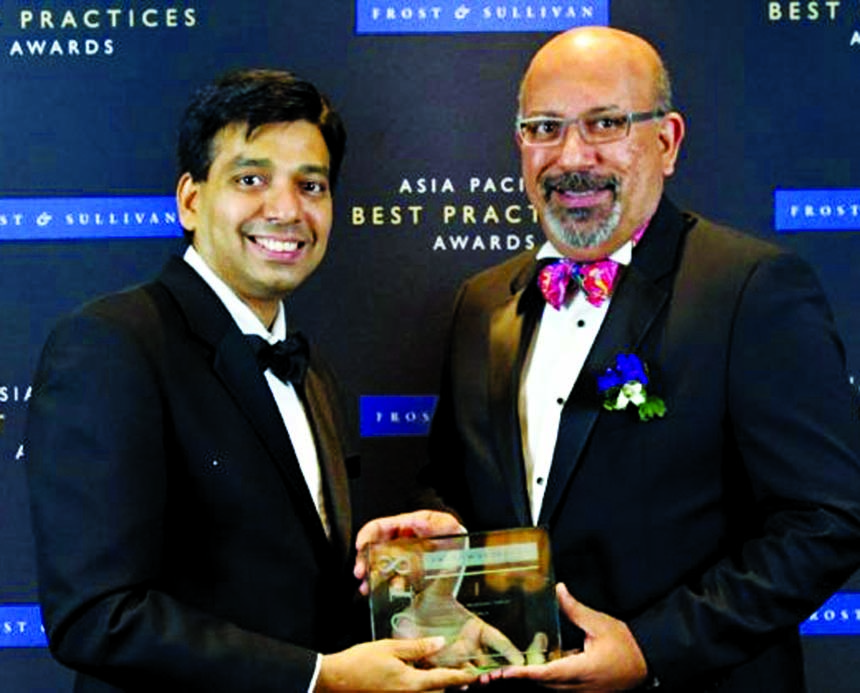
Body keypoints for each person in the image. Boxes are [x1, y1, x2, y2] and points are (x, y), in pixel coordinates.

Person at [356, 27, 860, 692]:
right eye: (545, 127)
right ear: (520, 144)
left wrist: (652, 648)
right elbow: (454, 479)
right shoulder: (480, 302)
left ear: (668, 140)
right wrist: (446, 535)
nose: (572, 156)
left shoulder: (751, 289)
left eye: (606, 123)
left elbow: (828, 518)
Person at [25, 68, 478, 693]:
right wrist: (320, 678)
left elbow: (290, 592)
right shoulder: (112, 345)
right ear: (190, 198)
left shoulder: (313, 373)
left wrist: (399, 576)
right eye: (250, 179)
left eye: (311, 185)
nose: (286, 210)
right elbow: (97, 617)